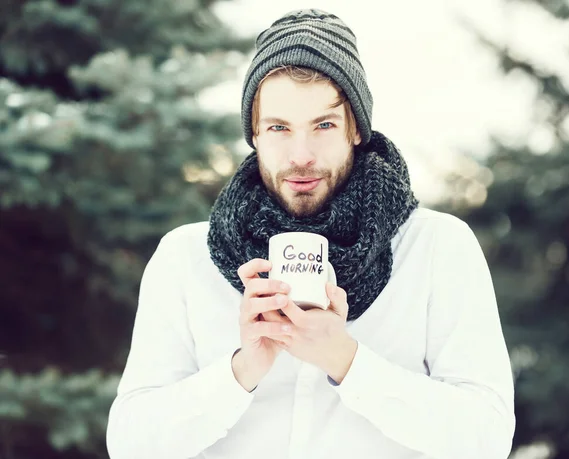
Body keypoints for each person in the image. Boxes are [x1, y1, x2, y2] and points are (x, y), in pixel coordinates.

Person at [106, 8, 515, 459]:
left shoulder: (437, 247)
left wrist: (346, 361)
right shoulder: (185, 258)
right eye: (279, 128)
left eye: (323, 125)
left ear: (355, 128)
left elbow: (487, 437)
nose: (301, 155)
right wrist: (242, 370)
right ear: (255, 135)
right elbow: (130, 444)